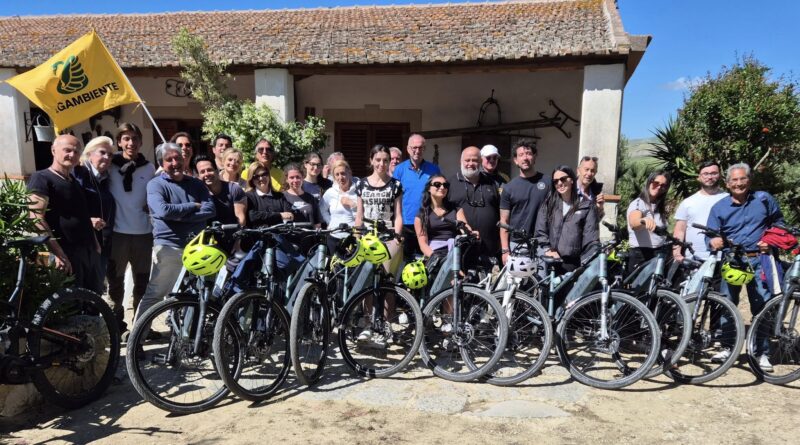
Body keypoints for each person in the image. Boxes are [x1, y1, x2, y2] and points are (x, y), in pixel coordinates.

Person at [707, 163, 784, 370]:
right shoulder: (719, 207)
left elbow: (779, 223)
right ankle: (727, 347)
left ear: (749, 180)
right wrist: (714, 240)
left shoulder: (764, 199)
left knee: (762, 306)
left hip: (759, 260)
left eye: (742, 179)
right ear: (727, 183)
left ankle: (762, 353)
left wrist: (771, 239)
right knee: (727, 304)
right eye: (734, 180)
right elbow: (711, 233)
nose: (739, 183)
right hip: (732, 261)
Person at [137, 143, 216, 319]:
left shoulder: (196, 184)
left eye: (178, 158)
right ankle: (138, 341)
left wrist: (180, 216)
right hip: (169, 247)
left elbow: (211, 210)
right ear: (161, 164)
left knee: (193, 295)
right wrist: (192, 206)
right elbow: (163, 211)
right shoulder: (155, 185)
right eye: (169, 160)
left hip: (198, 247)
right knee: (155, 295)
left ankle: (187, 338)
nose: (175, 163)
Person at [28, 135, 102, 293]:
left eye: (76, 152)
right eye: (67, 150)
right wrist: (58, 254)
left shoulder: (74, 182)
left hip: (87, 253)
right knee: (69, 305)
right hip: (65, 253)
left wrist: (95, 244)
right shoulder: (41, 178)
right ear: (53, 150)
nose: (72, 155)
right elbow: (35, 218)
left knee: (92, 301)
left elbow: (80, 214)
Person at [107, 123, 155, 331]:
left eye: (135, 138)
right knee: (115, 284)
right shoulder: (110, 165)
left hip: (143, 234)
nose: (131, 143)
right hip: (118, 233)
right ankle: (116, 325)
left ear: (141, 142)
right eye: (126, 138)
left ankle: (140, 327)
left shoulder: (149, 167)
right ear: (119, 142)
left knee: (142, 284)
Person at [535, 166, 599, 273]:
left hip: (574, 264)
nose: (559, 183)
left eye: (563, 179)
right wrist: (548, 250)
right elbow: (540, 232)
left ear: (572, 180)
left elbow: (590, 238)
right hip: (550, 261)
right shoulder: (548, 205)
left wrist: (587, 261)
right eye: (555, 181)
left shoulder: (586, 206)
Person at [72, 136, 116, 292]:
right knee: (80, 291)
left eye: (110, 155)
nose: (107, 157)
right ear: (89, 154)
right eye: (102, 152)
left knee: (95, 291)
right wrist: (87, 220)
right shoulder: (78, 174)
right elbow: (69, 205)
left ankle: (93, 317)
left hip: (102, 243)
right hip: (82, 243)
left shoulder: (104, 178)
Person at [244, 163, 305, 273]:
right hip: (258, 244)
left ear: (269, 176)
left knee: (291, 265)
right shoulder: (249, 196)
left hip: (279, 243)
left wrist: (267, 217)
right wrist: (279, 215)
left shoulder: (279, 197)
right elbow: (253, 216)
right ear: (251, 180)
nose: (261, 178)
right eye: (256, 176)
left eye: (264, 174)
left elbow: (290, 215)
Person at [499, 139, 550, 265]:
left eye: (528, 153)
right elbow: (504, 221)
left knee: (541, 283)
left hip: (543, 244)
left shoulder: (548, 183)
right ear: (516, 160)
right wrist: (505, 250)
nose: (525, 158)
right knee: (517, 283)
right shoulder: (509, 188)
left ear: (534, 156)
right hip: (517, 244)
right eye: (521, 155)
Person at [447, 146, 501, 263]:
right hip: (460, 251)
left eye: (475, 160)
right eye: (467, 160)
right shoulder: (450, 184)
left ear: (480, 162)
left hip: (489, 249)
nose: (470, 164)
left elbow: (501, 211)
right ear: (460, 161)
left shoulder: (492, 183)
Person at [355, 144, 404, 273]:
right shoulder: (361, 184)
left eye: (385, 160)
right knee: (366, 278)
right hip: (367, 237)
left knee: (386, 277)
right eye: (378, 160)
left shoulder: (396, 185)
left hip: (388, 236)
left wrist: (397, 238)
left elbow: (398, 215)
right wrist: (356, 237)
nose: (381, 164)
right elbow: (359, 215)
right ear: (371, 160)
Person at [393, 134, 441, 260]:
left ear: (424, 149)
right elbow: (394, 198)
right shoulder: (399, 170)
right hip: (406, 223)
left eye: (420, 148)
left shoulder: (434, 170)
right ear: (408, 149)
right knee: (405, 261)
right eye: (414, 147)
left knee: (426, 261)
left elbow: (439, 194)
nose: (417, 151)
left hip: (427, 222)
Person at [673, 161, 728, 263]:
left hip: (724, 258)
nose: (710, 177)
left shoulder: (729, 199)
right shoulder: (688, 202)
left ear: (720, 175)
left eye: (714, 173)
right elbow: (680, 230)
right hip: (695, 259)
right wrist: (677, 253)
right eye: (706, 174)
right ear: (699, 177)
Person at [414, 174, 472, 259]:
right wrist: (435, 259)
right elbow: (423, 244)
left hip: (455, 252)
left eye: (445, 185)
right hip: (434, 254)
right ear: (429, 189)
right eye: (437, 184)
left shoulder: (456, 209)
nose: (442, 187)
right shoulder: (421, 214)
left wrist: (470, 232)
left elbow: (465, 227)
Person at [626, 170, 671, 273]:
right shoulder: (639, 203)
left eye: (663, 185)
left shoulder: (660, 206)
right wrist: (643, 220)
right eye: (656, 183)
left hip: (659, 253)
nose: (659, 187)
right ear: (649, 182)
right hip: (641, 254)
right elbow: (634, 222)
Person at [284, 163, 323, 254]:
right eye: (292, 177)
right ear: (286, 179)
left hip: (309, 243)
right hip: (289, 244)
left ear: (302, 178)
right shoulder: (282, 197)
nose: (295, 180)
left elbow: (317, 223)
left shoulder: (310, 198)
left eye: (298, 177)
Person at [320, 160, 357, 253]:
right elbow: (322, 209)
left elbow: (362, 216)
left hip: (352, 237)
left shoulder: (358, 192)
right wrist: (329, 222)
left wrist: (352, 204)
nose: (340, 177)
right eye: (337, 174)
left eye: (343, 173)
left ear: (349, 173)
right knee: (334, 266)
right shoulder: (330, 192)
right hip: (333, 237)